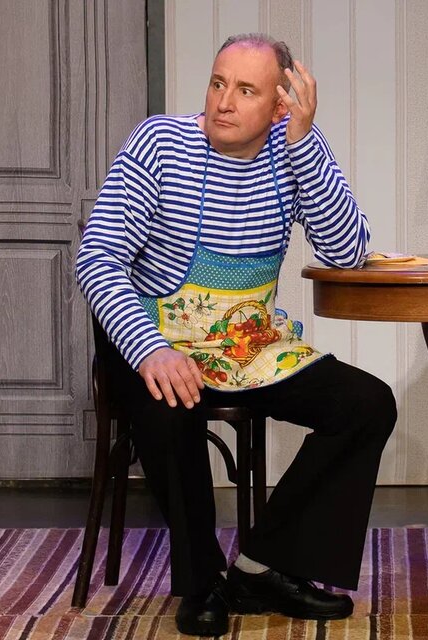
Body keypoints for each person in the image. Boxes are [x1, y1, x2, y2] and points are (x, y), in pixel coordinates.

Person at [76, 33, 397, 637]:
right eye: (218, 83)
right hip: (152, 333)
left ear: (279, 105)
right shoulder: (158, 143)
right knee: (172, 405)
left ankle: (262, 568)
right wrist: (150, 349)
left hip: (245, 341)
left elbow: (346, 252)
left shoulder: (293, 149)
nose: (223, 101)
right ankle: (201, 583)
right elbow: (98, 258)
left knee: (367, 404)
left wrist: (304, 144)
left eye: (246, 90)